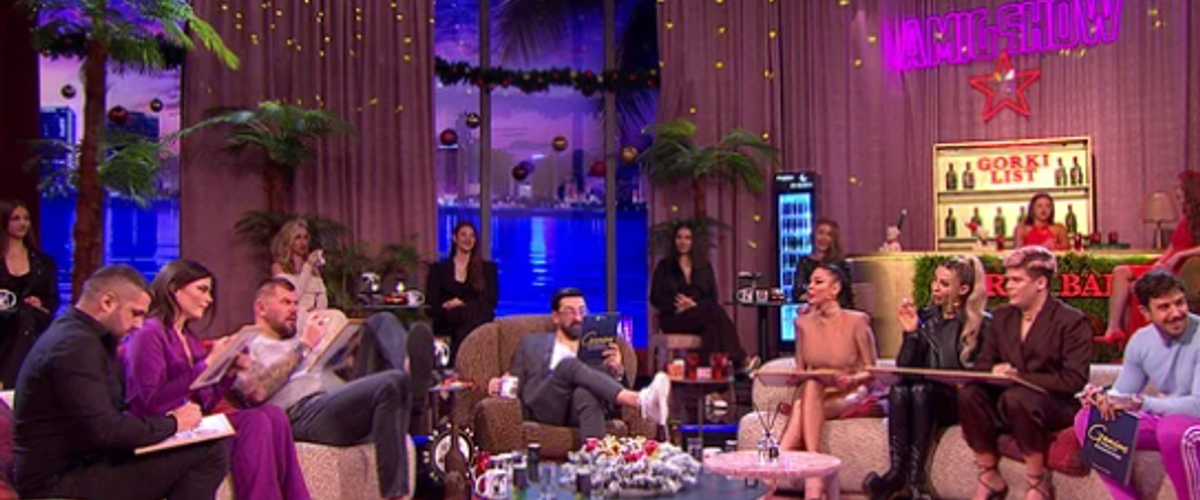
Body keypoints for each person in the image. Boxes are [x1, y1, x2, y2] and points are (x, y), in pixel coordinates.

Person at [14, 265, 228, 500]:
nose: (139, 325)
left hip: (87, 462)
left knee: (204, 445)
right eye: (135, 313)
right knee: (209, 452)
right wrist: (174, 423)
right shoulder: (74, 345)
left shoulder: (86, 336)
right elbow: (107, 430)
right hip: (60, 480)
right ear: (107, 302)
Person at [121, 260, 310, 500]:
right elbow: (152, 400)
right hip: (159, 427)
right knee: (255, 422)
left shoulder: (190, 338)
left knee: (274, 415)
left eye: (209, 292)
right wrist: (208, 363)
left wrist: (228, 372)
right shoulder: (149, 333)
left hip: (193, 423)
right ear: (174, 289)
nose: (209, 299)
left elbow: (205, 402)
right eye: (202, 290)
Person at [233, 278, 413, 500]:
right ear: (261, 307)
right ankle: (395, 495)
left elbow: (334, 374)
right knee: (392, 383)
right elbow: (256, 391)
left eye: (295, 303)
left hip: (329, 400)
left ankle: (409, 371)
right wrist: (304, 347)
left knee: (381, 322)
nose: (294, 310)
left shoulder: (298, 338)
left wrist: (345, 351)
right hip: (301, 415)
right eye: (286, 302)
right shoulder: (248, 346)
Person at [958, 246, 1092, 500]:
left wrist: (1018, 377)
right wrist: (993, 371)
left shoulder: (1071, 321)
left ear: (1040, 283)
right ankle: (988, 475)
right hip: (1008, 402)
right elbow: (982, 364)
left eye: (1016, 280)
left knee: (1019, 397)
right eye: (1007, 280)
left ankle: (1037, 482)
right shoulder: (1002, 317)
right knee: (970, 394)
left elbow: (1074, 380)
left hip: (1054, 405)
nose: (1008, 286)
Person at [863, 256, 990, 500]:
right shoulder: (925, 318)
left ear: (963, 289)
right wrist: (912, 333)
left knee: (921, 390)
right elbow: (905, 368)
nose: (935, 287)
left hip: (958, 400)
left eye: (944, 283)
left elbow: (982, 374)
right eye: (935, 281)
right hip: (924, 395)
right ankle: (897, 473)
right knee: (900, 391)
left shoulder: (981, 324)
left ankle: (916, 480)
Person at [1076, 270, 1200, 500]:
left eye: (1180, 303)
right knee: (1089, 419)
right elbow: (1124, 392)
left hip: (1190, 422)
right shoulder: (1142, 341)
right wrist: (1104, 398)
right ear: (1145, 312)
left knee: (1172, 429)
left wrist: (1141, 402)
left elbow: (1196, 407)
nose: (1176, 313)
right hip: (1170, 420)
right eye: (1164, 307)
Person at [486, 288, 671, 438]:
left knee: (585, 393)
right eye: (570, 312)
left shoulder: (598, 343)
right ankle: (640, 401)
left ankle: (594, 463)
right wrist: (498, 384)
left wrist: (618, 371)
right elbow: (514, 378)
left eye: (582, 311)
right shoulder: (531, 343)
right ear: (555, 317)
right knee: (568, 364)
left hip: (580, 409)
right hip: (545, 406)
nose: (578, 318)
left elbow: (611, 399)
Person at [781, 264, 879, 499]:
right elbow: (801, 369)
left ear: (835, 289)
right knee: (811, 385)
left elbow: (872, 371)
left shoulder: (857, 321)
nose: (810, 287)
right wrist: (795, 376)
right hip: (815, 392)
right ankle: (815, 471)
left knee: (801, 406)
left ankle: (775, 474)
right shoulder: (802, 324)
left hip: (850, 390)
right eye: (810, 282)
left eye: (818, 282)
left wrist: (852, 378)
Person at [1101, 171, 1200, 345]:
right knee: (1121, 273)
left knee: (1134, 286)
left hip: (1182, 268)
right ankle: (1114, 329)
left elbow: (1182, 250)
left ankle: (1133, 337)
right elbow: (1173, 246)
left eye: (1180, 188)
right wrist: (1161, 261)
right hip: (1169, 265)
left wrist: (1179, 256)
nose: (1176, 191)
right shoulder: (1186, 218)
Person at [650, 223, 755, 370]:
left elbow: (712, 297)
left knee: (711, 330)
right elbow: (655, 297)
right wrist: (677, 305)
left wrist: (694, 305)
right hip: (673, 318)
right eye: (679, 237)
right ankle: (741, 360)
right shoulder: (664, 266)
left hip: (698, 315)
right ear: (674, 241)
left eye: (687, 238)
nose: (683, 242)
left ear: (693, 242)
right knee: (714, 311)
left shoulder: (704, 266)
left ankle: (709, 379)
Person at [0, 200, 59, 389]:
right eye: (16, 218)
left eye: (26, 218)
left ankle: (11, 384)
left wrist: (40, 303)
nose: (23, 223)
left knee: (26, 316)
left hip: (32, 325)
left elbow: (52, 300)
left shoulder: (44, 263)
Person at [425, 220, 498, 361]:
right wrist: (446, 305)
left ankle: (459, 362)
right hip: (447, 321)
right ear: (455, 238)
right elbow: (431, 304)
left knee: (466, 314)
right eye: (463, 235)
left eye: (472, 236)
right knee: (456, 314)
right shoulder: (438, 270)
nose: (468, 239)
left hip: (477, 320)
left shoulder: (487, 269)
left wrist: (463, 304)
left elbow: (491, 302)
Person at [270, 219, 327, 323]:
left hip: (314, 316)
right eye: (297, 238)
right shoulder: (278, 267)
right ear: (288, 241)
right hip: (294, 317)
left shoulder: (312, 268)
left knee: (337, 316)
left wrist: (319, 311)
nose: (302, 242)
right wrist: (308, 266)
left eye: (305, 237)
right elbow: (294, 295)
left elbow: (322, 295)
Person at [792, 218, 853, 308]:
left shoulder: (840, 264)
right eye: (820, 233)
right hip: (812, 311)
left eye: (829, 235)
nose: (824, 238)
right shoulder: (804, 262)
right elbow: (798, 295)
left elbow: (846, 295)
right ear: (813, 236)